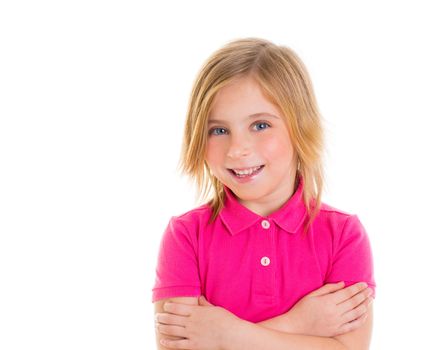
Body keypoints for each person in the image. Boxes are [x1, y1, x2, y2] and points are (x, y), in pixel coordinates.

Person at [152, 37, 376, 350]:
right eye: (218, 130)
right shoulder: (186, 235)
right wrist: (298, 325)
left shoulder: (343, 234)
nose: (237, 150)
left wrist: (225, 337)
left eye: (259, 125)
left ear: (300, 127)